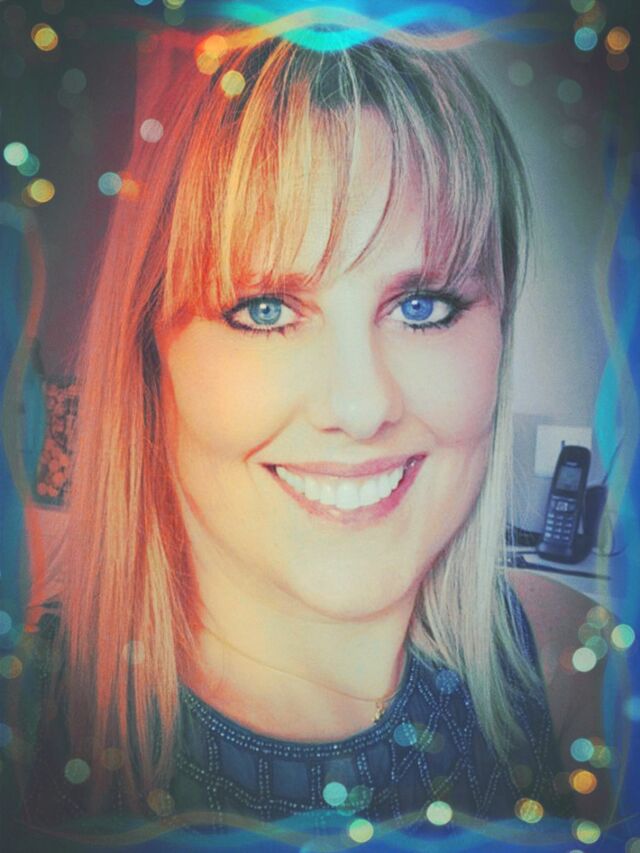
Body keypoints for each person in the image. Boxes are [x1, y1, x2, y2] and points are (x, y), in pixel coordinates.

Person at [7, 21, 611, 848]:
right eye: (265, 310)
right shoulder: (27, 730)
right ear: (153, 358)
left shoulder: (574, 665)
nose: (361, 406)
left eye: (423, 305)